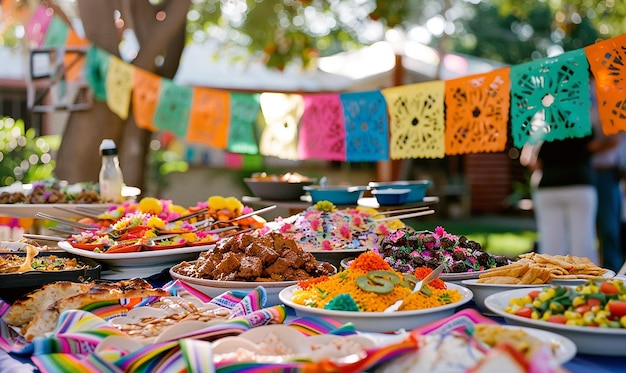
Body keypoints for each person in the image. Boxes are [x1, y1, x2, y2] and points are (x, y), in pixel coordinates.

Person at [521, 135, 599, 264]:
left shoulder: (542, 122)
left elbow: (529, 159)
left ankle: (551, 282)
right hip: (579, 184)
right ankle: (586, 281)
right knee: (582, 242)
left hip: (548, 186)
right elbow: (594, 145)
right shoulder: (580, 119)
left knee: (551, 246)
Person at [588, 78, 625, 272]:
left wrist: (586, 149)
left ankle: (615, 273)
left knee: (609, 226)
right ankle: (599, 270)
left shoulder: (612, 104)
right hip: (588, 174)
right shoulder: (587, 101)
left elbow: (614, 141)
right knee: (590, 229)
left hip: (608, 173)